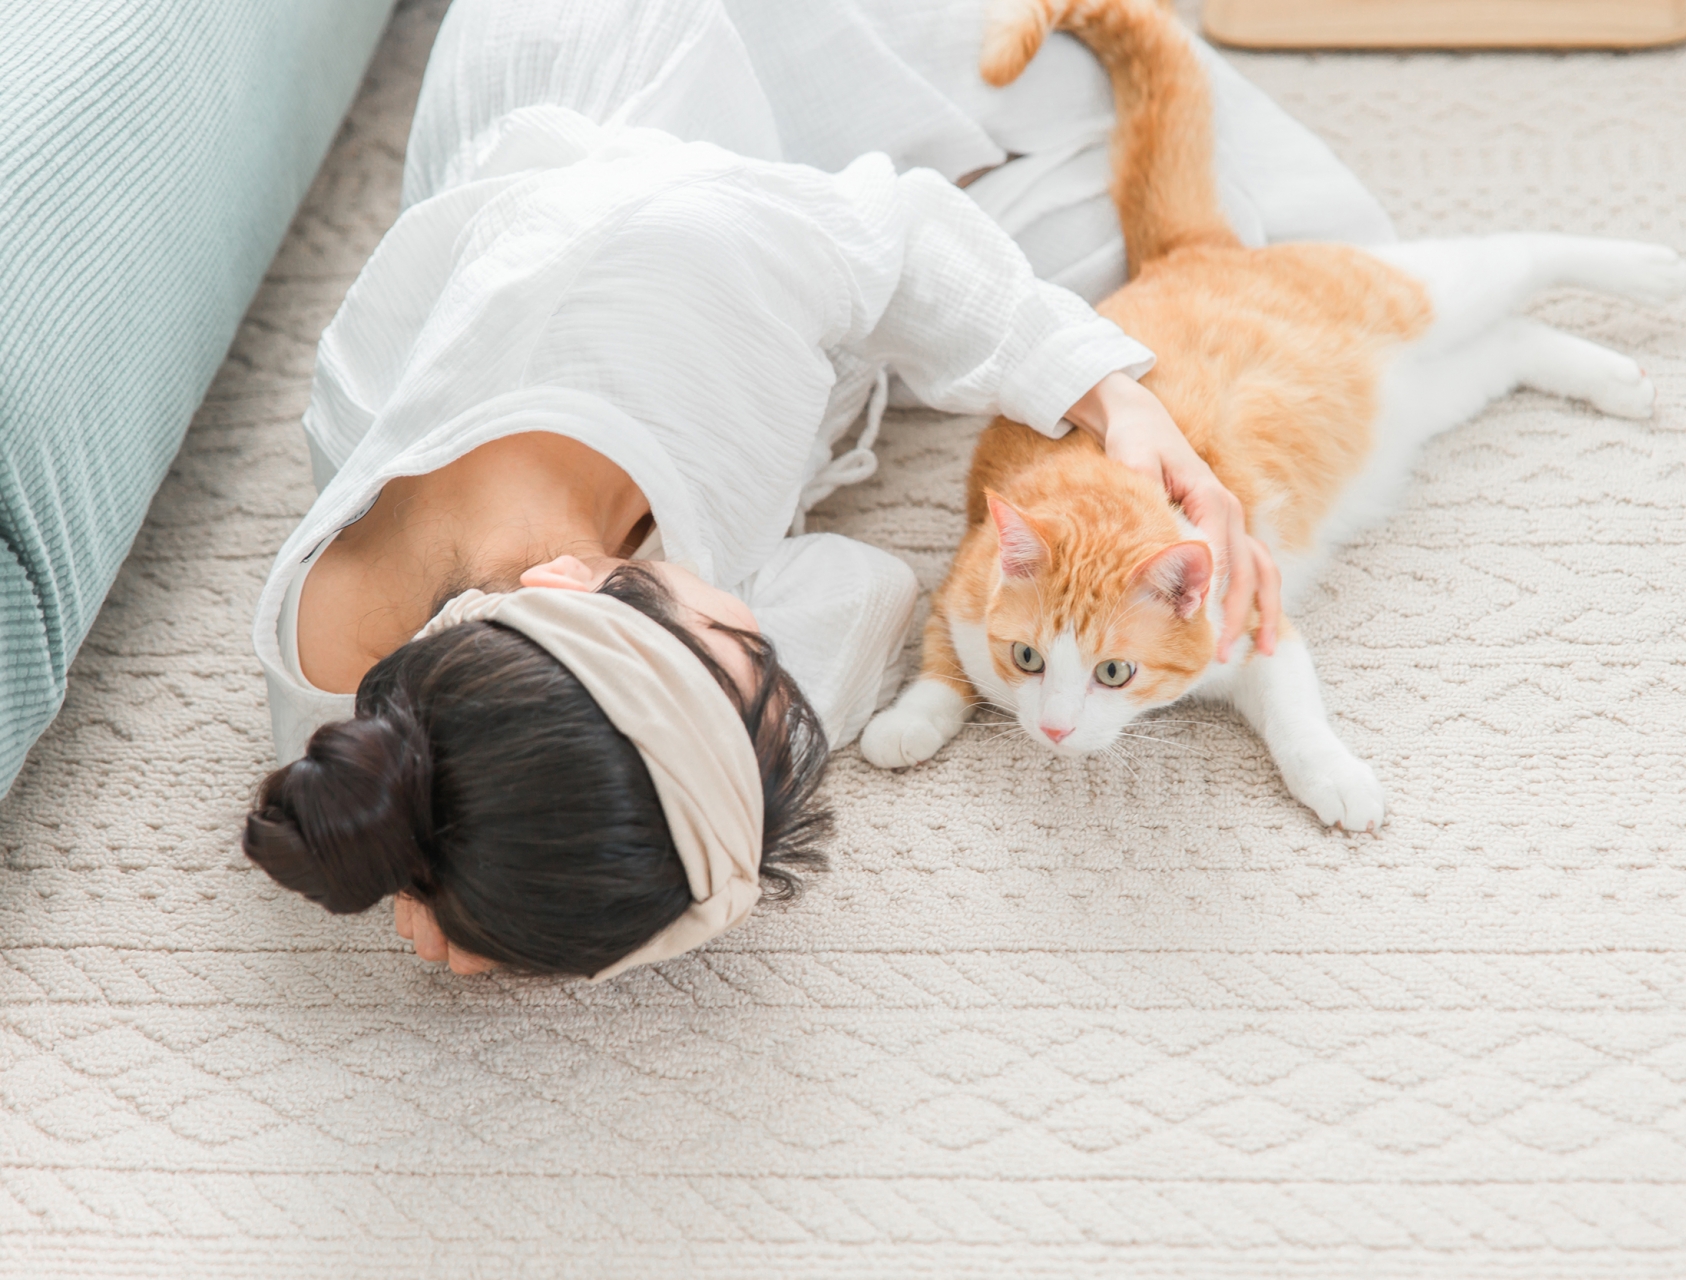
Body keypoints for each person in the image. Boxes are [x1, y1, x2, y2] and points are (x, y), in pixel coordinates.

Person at [245, 0, 1393, 978]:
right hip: (725, 230)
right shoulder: (439, 686)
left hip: (698, 45)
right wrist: (512, 887)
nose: (766, 632)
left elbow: (906, 239)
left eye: (746, 644)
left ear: (576, 583)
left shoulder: (684, 273)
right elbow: (857, 588)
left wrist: (1122, 401)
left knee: (1257, 225)